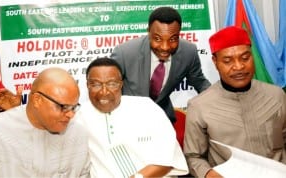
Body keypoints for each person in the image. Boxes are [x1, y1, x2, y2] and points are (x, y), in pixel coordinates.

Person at [183, 26, 286, 178]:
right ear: (215, 62)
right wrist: (209, 174)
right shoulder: (199, 106)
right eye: (227, 61)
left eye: (245, 58)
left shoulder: (276, 95)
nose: (239, 67)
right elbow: (193, 156)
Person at [77, 57, 188, 178]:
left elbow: (168, 160)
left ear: (121, 84)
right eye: (96, 84)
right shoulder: (78, 118)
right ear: (87, 85)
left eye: (112, 84)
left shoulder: (147, 108)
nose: (104, 92)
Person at [110, 6, 211, 123]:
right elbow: (110, 88)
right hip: (128, 119)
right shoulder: (124, 53)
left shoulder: (189, 52)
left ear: (179, 34)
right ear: (148, 32)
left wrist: (220, 103)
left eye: (173, 39)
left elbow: (200, 82)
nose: (165, 47)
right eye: (157, 39)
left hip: (163, 119)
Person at [0, 67, 90, 177]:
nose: (71, 114)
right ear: (37, 100)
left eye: (73, 107)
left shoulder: (78, 135)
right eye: (63, 107)